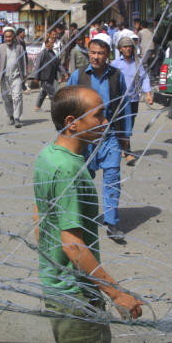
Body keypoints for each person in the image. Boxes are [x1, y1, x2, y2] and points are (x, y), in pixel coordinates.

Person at [33, 85, 145, 343]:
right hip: (76, 298)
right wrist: (117, 295)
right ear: (72, 123)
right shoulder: (70, 169)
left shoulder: (48, 156)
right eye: (98, 115)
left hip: (56, 285)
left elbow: (40, 216)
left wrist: (54, 270)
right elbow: (72, 244)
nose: (105, 122)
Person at [67, 37, 129, 241]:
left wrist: (125, 136)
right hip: (85, 138)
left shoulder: (116, 76)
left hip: (110, 136)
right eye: (92, 53)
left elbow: (124, 105)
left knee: (112, 177)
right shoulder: (79, 76)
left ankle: (111, 223)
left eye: (100, 53)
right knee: (84, 179)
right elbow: (67, 101)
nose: (96, 57)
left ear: (107, 55)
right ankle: (80, 220)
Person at [111, 36, 153, 165]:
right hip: (120, 100)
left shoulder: (137, 62)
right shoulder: (116, 64)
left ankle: (123, 146)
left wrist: (148, 93)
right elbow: (111, 81)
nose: (127, 49)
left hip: (133, 99)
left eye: (129, 46)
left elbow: (144, 78)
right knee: (122, 124)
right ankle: (127, 151)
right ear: (120, 49)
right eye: (125, 47)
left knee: (130, 124)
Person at [0, 27, 26, 127]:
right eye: (6, 37)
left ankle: (17, 118)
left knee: (17, 97)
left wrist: (24, 74)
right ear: (4, 37)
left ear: (13, 37)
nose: (8, 38)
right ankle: (11, 116)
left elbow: (23, 61)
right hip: (5, 77)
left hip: (16, 76)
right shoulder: (1, 47)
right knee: (6, 98)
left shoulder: (19, 47)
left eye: (10, 36)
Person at [35, 29, 67, 112]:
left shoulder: (53, 53)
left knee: (44, 92)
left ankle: (37, 106)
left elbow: (58, 65)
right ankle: (56, 107)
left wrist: (64, 73)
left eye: (53, 43)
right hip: (44, 76)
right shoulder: (42, 53)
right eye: (51, 43)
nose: (53, 44)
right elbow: (38, 65)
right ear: (46, 44)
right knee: (52, 92)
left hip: (51, 76)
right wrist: (36, 76)